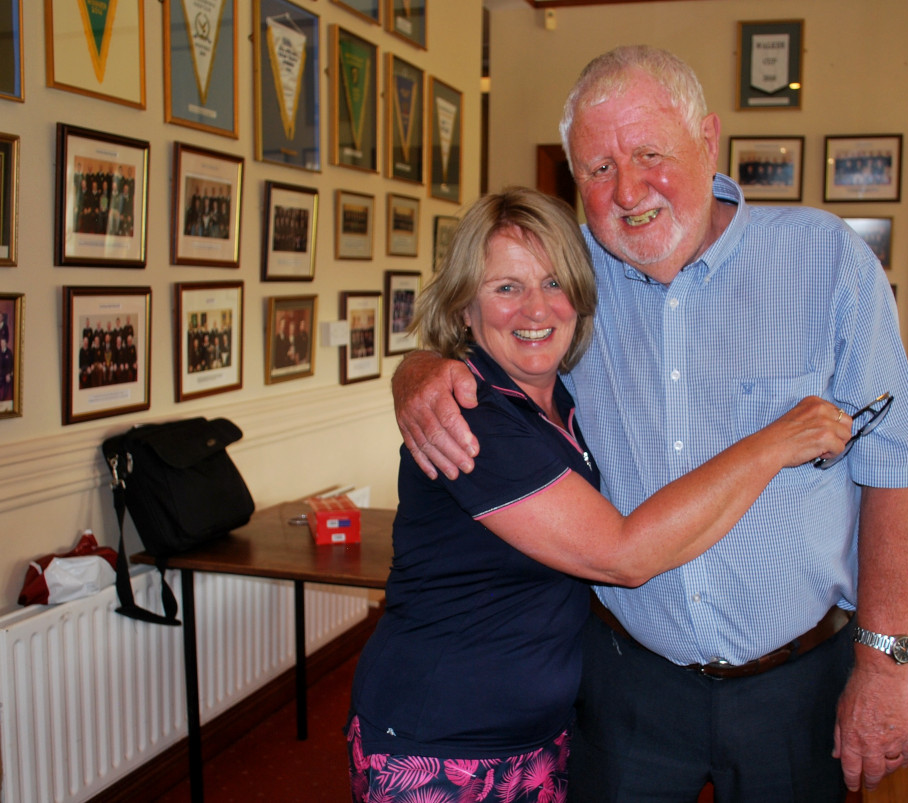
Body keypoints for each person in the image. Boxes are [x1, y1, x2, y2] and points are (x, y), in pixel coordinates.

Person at [392, 46, 908, 800]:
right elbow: (482, 324)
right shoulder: (569, 279)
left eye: (650, 154)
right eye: (599, 168)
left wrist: (884, 665)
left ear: (708, 140)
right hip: (626, 688)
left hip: (796, 685)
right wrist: (417, 369)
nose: (628, 190)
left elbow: (896, 469)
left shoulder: (826, 261)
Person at [348, 187, 850, 803]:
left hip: (536, 737)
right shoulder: (472, 415)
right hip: (440, 743)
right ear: (463, 309)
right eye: (506, 287)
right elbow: (622, 555)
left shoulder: (560, 399)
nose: (536, 308)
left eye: (554, 282)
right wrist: (775, 443)